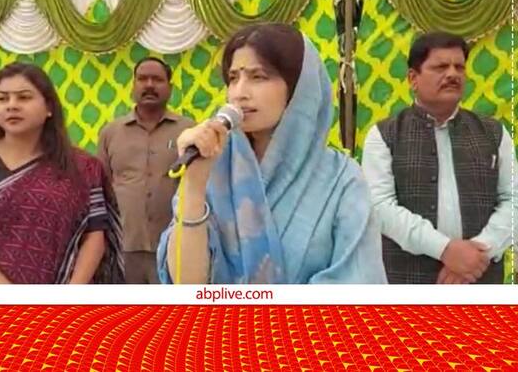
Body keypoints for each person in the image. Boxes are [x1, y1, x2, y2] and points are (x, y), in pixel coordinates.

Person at [157, 23, 387, 284]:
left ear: (299, 88)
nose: (239, 93)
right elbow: (186, 284)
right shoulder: (213, 167)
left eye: (258, 77)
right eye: (233, 78)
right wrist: (194, 186)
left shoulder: (342, 180)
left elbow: (357, 285)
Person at [362, 32, 515, 284]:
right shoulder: (384, 134)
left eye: (459, 67)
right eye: (441, 67)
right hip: (406, 282)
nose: (453, 74)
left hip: (480, 280)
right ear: (413, 78)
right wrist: (445, 249)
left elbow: (513, 199)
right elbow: (379, 207)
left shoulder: (493, 132)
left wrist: (477, 254)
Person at [0, 62, 123, 284]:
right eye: (2, 99)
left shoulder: (82, 167)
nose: (11, 106)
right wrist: (14, 299)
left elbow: (94, 236)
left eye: (24, 97)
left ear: (49, 107)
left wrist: (71, 295)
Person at [98, 57, 194, 284]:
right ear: (133, 85)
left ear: (170, 87)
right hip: (124, 246)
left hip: (175, 245)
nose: (149, 85)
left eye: (157, 79)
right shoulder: (111, 133)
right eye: (142, 79)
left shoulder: (188, 131)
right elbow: (101, 188)